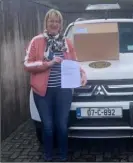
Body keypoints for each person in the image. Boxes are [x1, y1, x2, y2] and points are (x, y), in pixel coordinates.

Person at [23, 9, 87, 161]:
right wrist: (48, 64)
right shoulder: (37, 41)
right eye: (51, 21)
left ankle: (63, 156)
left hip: (63, 91)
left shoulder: (67, 42)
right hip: (42, 93)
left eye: (57, 21)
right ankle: (48, 155)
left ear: (60, 24)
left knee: (62, 125)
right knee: (48, 127)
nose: (54, 24)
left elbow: (74, 62)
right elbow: (27, 64)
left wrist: (82, 73)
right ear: (46, 23)